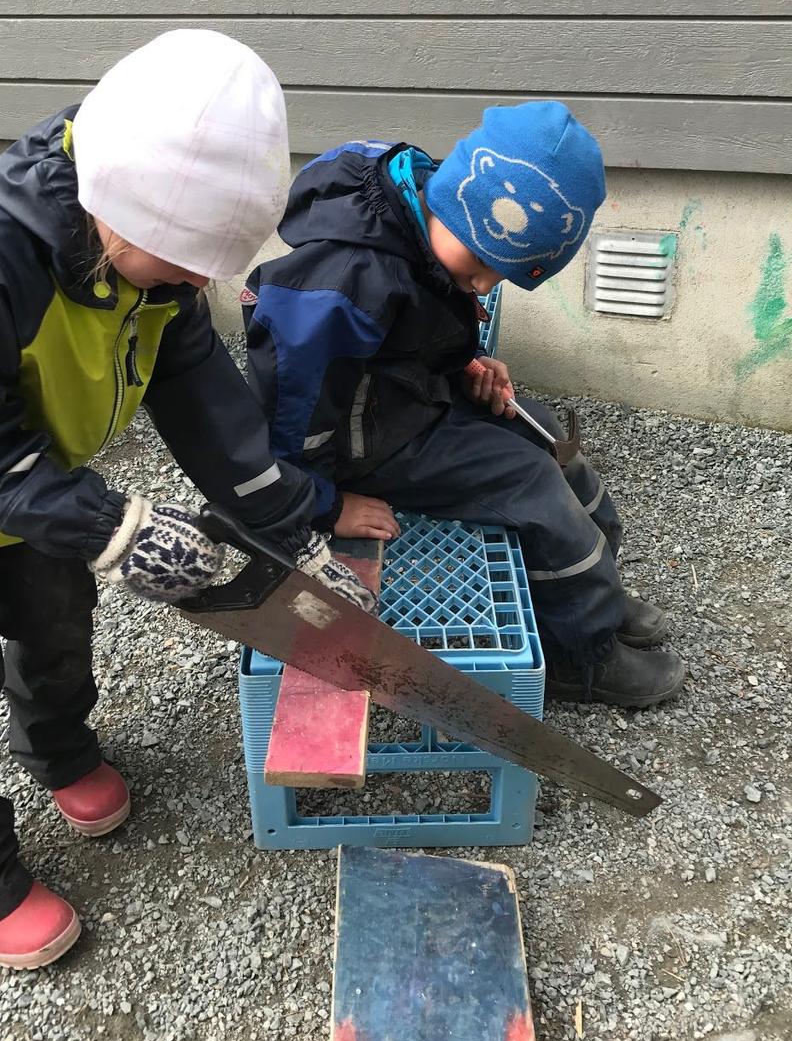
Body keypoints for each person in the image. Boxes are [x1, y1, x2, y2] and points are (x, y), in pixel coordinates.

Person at [0, 30, 373, 971]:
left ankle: (62, 753)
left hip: (39, 486)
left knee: (57, 627)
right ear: (117, 205)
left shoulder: (148, 277)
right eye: (185, 259)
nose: (196, 282)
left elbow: (208, 409)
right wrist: (113, 526)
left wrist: (289, 530)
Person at [242, 101, 687, 713]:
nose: (482, 285)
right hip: (361, 448)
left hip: (403, 402)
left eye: (499, 277)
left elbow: (415, 326)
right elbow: (287, 410)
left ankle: (596, 590)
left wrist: (465, 361)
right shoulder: (344, 281)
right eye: (481, 266)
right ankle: (579, 655)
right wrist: (323, 503)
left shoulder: (419, 214)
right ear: (459, 205)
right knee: (530, 480)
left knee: (545, 437)